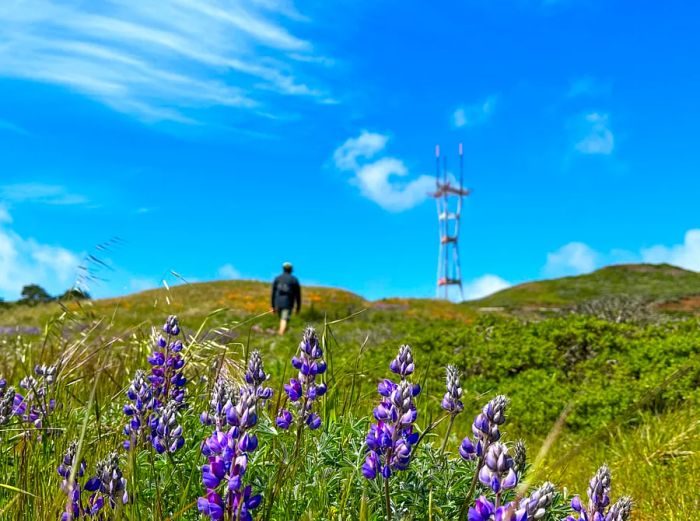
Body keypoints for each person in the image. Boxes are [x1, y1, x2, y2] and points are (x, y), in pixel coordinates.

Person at [271, 262, 301, 335]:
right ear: (291, 269)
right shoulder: (294, 279)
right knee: (284, 319)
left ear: (283, 269)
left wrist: (272, 305)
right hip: (288, 302)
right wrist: (298, 307)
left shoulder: (277, 278)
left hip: (277, 302)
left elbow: (273, 292)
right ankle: (280, 334)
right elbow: (298, 294)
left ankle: (282, 332)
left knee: (282, 318)